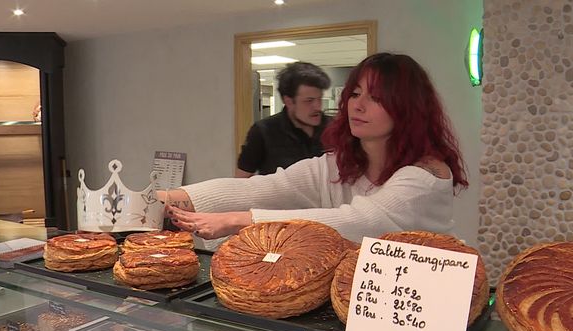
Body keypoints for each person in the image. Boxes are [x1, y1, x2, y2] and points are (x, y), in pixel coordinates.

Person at [159, 52, 468, 246]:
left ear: (407, 108)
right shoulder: (339, 165)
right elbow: (264, 188)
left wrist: (242, 220)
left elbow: (361, 222)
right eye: (355, 93)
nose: (356, 105)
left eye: (375, 98)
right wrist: (168, 198)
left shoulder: (425, 176)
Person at [235, 62, 332, 177]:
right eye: (309, 101)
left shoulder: (335, 128)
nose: (318, 107)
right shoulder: (263, 132)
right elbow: (241, 180)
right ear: (288, 101)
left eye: (319, 99)